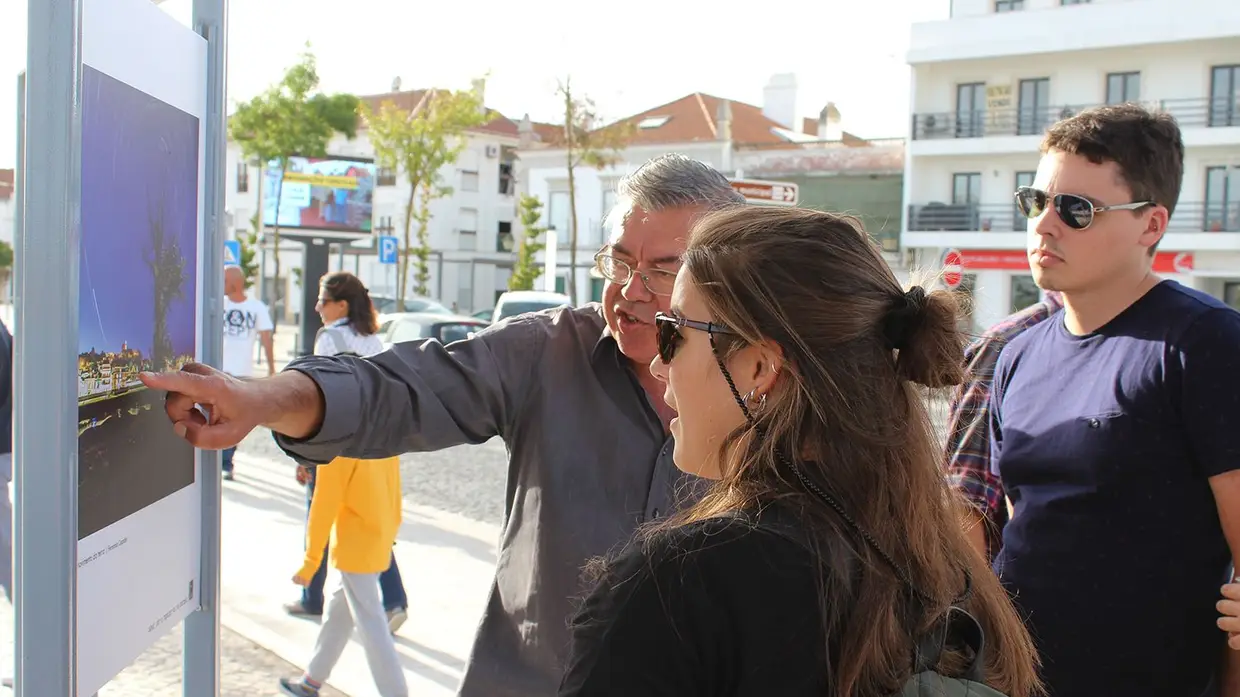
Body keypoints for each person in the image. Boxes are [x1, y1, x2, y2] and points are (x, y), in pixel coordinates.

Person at [139, 154, 747, 697]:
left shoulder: (778, 392)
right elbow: (398, 389)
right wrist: (263, 398)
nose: (628, 291)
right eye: (618, 261)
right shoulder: (549, 352)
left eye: (662, 271)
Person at [557, 206, 1041, 697]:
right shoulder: (947, 572)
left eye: (673, 332)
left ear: (761, 366)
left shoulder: (679, 586)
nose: (660, 365)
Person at [989, 103, 1239, 697]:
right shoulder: (1018, 356)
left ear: (1152, 225)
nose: (1045, 225)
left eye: (1077, 210)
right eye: (1035, 201)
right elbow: (1022, 523)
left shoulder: (1203, 343)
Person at [283, 271, 409, 635]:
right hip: (375, 448)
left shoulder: (330, 337)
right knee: (371, 522)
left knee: (319, 515)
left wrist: (307, 456)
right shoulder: (374, 340)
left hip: (337, 447)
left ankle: (311, 596)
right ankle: (395, 599)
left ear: (342, 304)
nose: (317, 307)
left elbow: (318, 400)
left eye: (323, 300)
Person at [277, 407, 407, 697]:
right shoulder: (382, 438)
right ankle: (311, 682)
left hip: (355, 547)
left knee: (372, 629)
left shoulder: (338, 448)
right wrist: (389, 534)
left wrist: (310, 562)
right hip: (376, 540)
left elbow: (323, 507)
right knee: (339, 614)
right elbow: (395, 493)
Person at [942, 291, 1062, 562]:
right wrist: (976, 603)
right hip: (1017, 592)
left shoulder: (1165, 339)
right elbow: (967, 502)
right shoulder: (1008, 344)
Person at [221, 264, 274, 480]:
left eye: (224, 280)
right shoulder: (218, 305)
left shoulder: (256, 307)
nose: (221, 284)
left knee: (234, 417)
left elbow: (266, 339)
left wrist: (271, 368)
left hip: (242, 373)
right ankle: (219, 459)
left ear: (235, 283)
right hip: (217, 369)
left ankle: (226, 461)